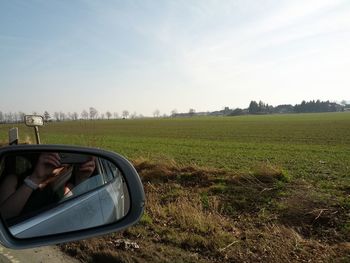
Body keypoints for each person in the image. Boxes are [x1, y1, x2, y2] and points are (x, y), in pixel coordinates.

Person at [0, 152, 95, 220]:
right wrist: (35, 178)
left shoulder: (67, 186)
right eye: (53, 154)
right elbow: (4, 217)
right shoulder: (13, 180)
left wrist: (81, 180)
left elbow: (75, 218)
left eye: (64, 155)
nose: (58, 157)